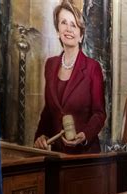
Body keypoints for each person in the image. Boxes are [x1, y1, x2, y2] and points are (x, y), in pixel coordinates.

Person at [33, 0, 105, 154]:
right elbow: (48, 111)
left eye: (73, 25)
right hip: (56, 155)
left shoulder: (93, 68)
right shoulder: (50, 65)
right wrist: (40, 136)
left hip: (85, 156)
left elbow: (99, 114)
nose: (68, 29)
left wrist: (84, 135)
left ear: (81, 35)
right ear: (58, 31)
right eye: (64, 22)